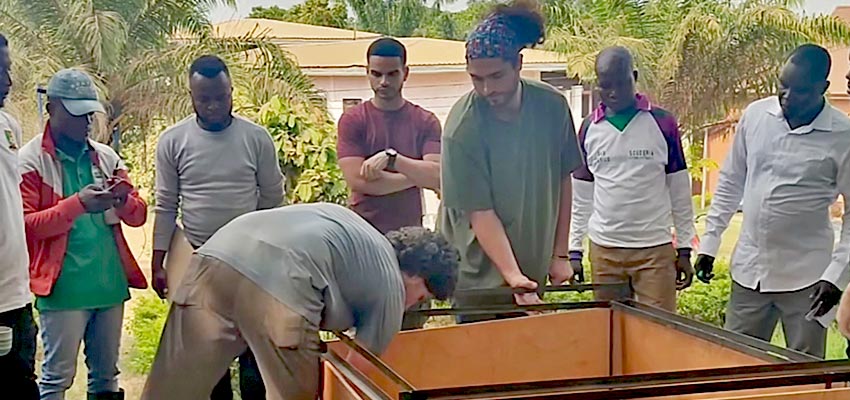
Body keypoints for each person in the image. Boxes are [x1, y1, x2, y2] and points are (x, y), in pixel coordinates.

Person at [141, 203, 459, 400]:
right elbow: (351, 377)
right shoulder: (391, 285)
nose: (413, 306)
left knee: (170, 392)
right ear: (418, 277)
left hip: (215, 255)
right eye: (421, 299)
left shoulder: (359, 236)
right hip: (282, 284)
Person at [695, 44, 850, 358]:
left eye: (801, 91)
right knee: (734, 365)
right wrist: (709, 244)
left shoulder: (843, 135)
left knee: (805, 375)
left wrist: (836, 277)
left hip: (809, 282)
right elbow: (730, 182)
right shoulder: (755, 116)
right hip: (750, 274)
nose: (788, 97)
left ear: (824, 88)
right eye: (783, 86)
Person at [439, 0, 583, 323]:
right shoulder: (462, 128)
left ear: (518, 64)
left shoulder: (553, 108)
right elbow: (480, 212)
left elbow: (563, 180)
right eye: (476, 78)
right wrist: (512, 275)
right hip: (477, 280)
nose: (487, 89)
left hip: (531, 274)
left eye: (496, 76)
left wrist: (559, 255)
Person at [152, 55, 284, 399]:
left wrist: (264, 248)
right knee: (208, 356)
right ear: (191, 96)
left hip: (249, 261)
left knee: (254, 349)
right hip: (197, 257)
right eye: (203, 98)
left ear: (232, 93)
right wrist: (158, 259)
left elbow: (272, 196)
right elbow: (166, 204)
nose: (212, 106)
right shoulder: (173, 140)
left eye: (219, 97)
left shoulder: (256, 138)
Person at [18, 68, 148, 399]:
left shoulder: (106, 158)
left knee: (106, 378)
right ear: (52, 109)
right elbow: (28, 225)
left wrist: (123, 201)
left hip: (108, 284)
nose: (85, 122)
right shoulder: (30, 162)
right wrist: (76, 204)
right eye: (76, 114)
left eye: (88, 113)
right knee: (56, 378)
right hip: (63, 288)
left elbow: (138, 216)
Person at [568, 46, 696, 312]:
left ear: (634, 76)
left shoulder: (662, 123)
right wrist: (574, 251)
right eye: (606, 85)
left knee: (659, 331)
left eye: (622, 83)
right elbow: (581, 196)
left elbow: (680, 191)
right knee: (609, 331)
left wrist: (684, 249)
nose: (614, 92)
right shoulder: (589, 128)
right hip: (605, 252)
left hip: (654, 252)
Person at [337, 37, 442, 330]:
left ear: (405, 73)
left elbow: (437, 175)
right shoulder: (353, 120)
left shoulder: (425, 121)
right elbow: (360, 180)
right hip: (363, 241)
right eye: (376, 73)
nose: (383, 81)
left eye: (392, 74)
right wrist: (415, 176)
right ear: (367, 72)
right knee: (364, 332)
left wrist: (391, 160)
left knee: (412, 336)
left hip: (412, 246)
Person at [0, 33, 38, 400]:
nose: (8, 80)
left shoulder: (9, 125)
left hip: (15, 296)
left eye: (7, 69)